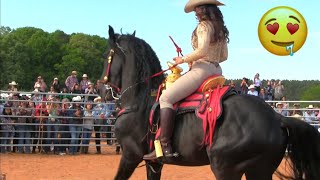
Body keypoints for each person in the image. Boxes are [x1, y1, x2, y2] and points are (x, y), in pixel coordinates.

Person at [144, 0, 229, 160]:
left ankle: (165, 146)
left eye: (197, 8)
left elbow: (202, 50)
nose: (195, 12)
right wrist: (197, 59)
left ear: (204, 9)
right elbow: (224, 56)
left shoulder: (204, 26)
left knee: (166, 98)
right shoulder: (220, 29)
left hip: (202, 70)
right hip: (216, 70)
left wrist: (183, 60)